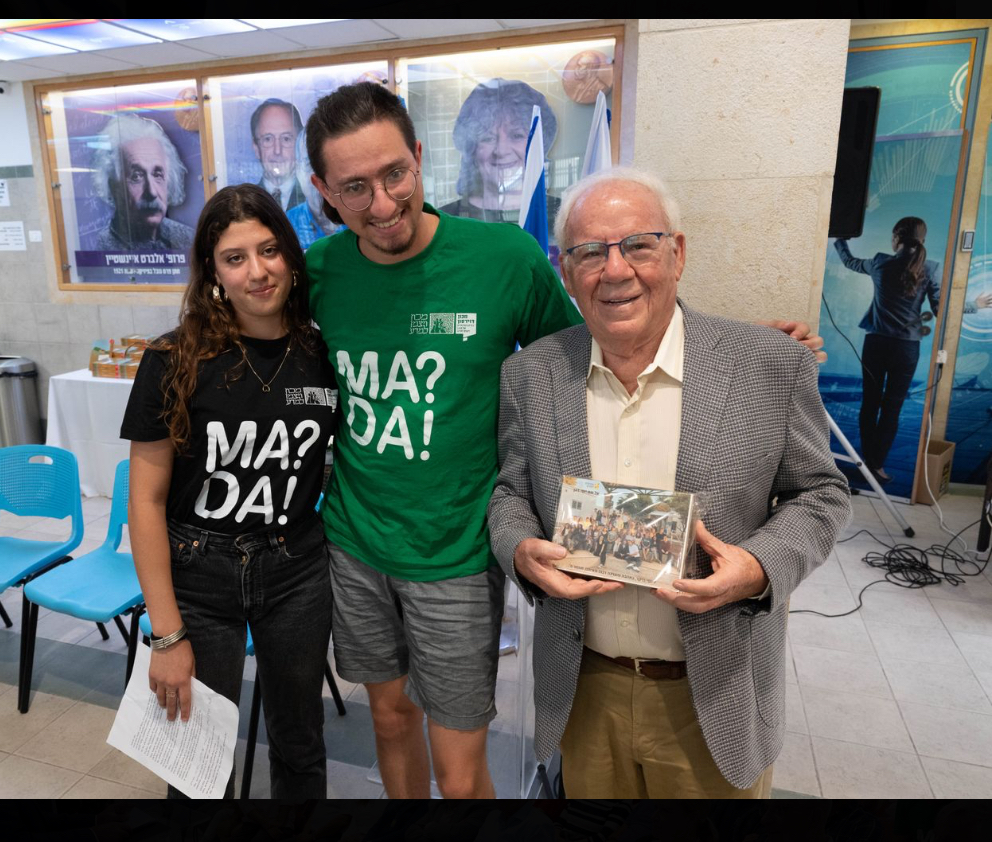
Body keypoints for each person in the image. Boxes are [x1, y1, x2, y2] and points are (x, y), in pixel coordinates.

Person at [300, 82, 826, 800]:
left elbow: (600, 332)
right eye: (354, 187)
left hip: (453, 547)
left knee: (460, 769)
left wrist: (725, 346)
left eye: (395, 173)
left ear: (419, 157)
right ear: (324, 191)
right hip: (354, 539)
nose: (383, 202)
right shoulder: (318, 273)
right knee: (388, 720)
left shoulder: (503, 259)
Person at [487, 168, 851, 798]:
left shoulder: (768, 364)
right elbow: (511, 493)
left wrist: (758, 568)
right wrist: (519, 549)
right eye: (590, 252)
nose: (615, 270)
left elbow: (820, 494)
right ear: (566, 272)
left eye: (638, 244)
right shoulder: (530, 375)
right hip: (583, 690)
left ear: (677, 253)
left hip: (714, 692)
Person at [121, 184, 338, 799]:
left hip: (296, 570)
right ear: (213, 271)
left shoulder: (324, 354)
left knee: (300, 742)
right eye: (234, 258)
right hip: (199, 573)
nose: (257, 272)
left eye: (268, 250)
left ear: (291, 254)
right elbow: (145, 501)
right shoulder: (174, 358)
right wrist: (166, 635)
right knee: (194, 760)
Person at [834, 218, 942, 483]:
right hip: (907, 349)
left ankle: (867, 462)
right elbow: (940, 307)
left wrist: (840, 239)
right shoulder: (931, 268)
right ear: (923, 240)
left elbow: (849, 261)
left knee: (870, 403)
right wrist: (973, 306)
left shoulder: (879, 262)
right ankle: (877, 465)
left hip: (876, 344)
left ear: (896, 238)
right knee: (892, 409)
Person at [439, 78, 559, 227]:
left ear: (540, 144)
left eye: (516, 136)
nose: (501, 151)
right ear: (471, 148)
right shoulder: (442, 222)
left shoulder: (564, 216)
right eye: (488, 138)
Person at [92, 113, 195, 252]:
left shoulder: (188, 238)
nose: (152, 192)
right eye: (136, 176)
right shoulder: (100, 248)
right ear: (113, 187)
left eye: (157, 174)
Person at [287, 130, 344, 249]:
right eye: (310, 165)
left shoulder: (359, 214)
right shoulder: (287, 223)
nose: (320, 177)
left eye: (328, 165)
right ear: (298, 171)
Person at [251, 99, 306, 211]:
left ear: (299, 145)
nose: (277, 151)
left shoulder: (316, 199)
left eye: (286, 139)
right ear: (256, 148)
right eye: (268, 139)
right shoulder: (245, 203)